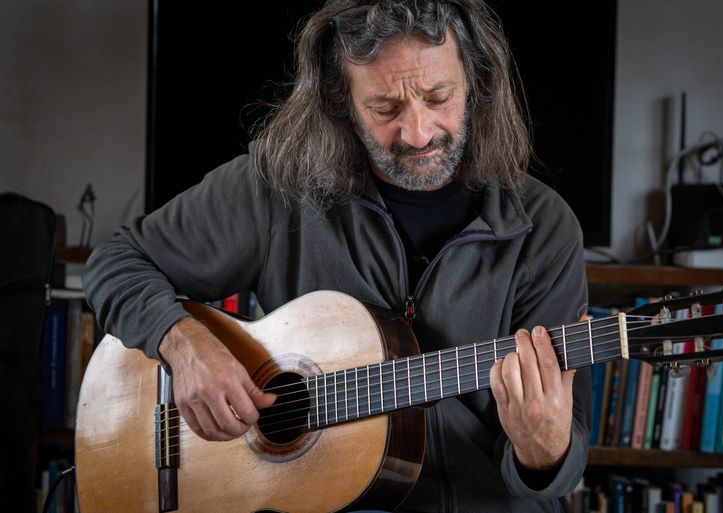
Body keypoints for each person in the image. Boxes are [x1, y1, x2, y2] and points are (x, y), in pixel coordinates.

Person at [83, 0, 591, 511]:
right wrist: (185, 344)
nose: (419, 132)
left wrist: (542, 447)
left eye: (439, 97)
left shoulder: (543, 228)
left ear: (476, 82)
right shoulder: (276, 189)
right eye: (385, 109)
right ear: (340, 103)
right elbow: (115, 262)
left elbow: (557, 472)